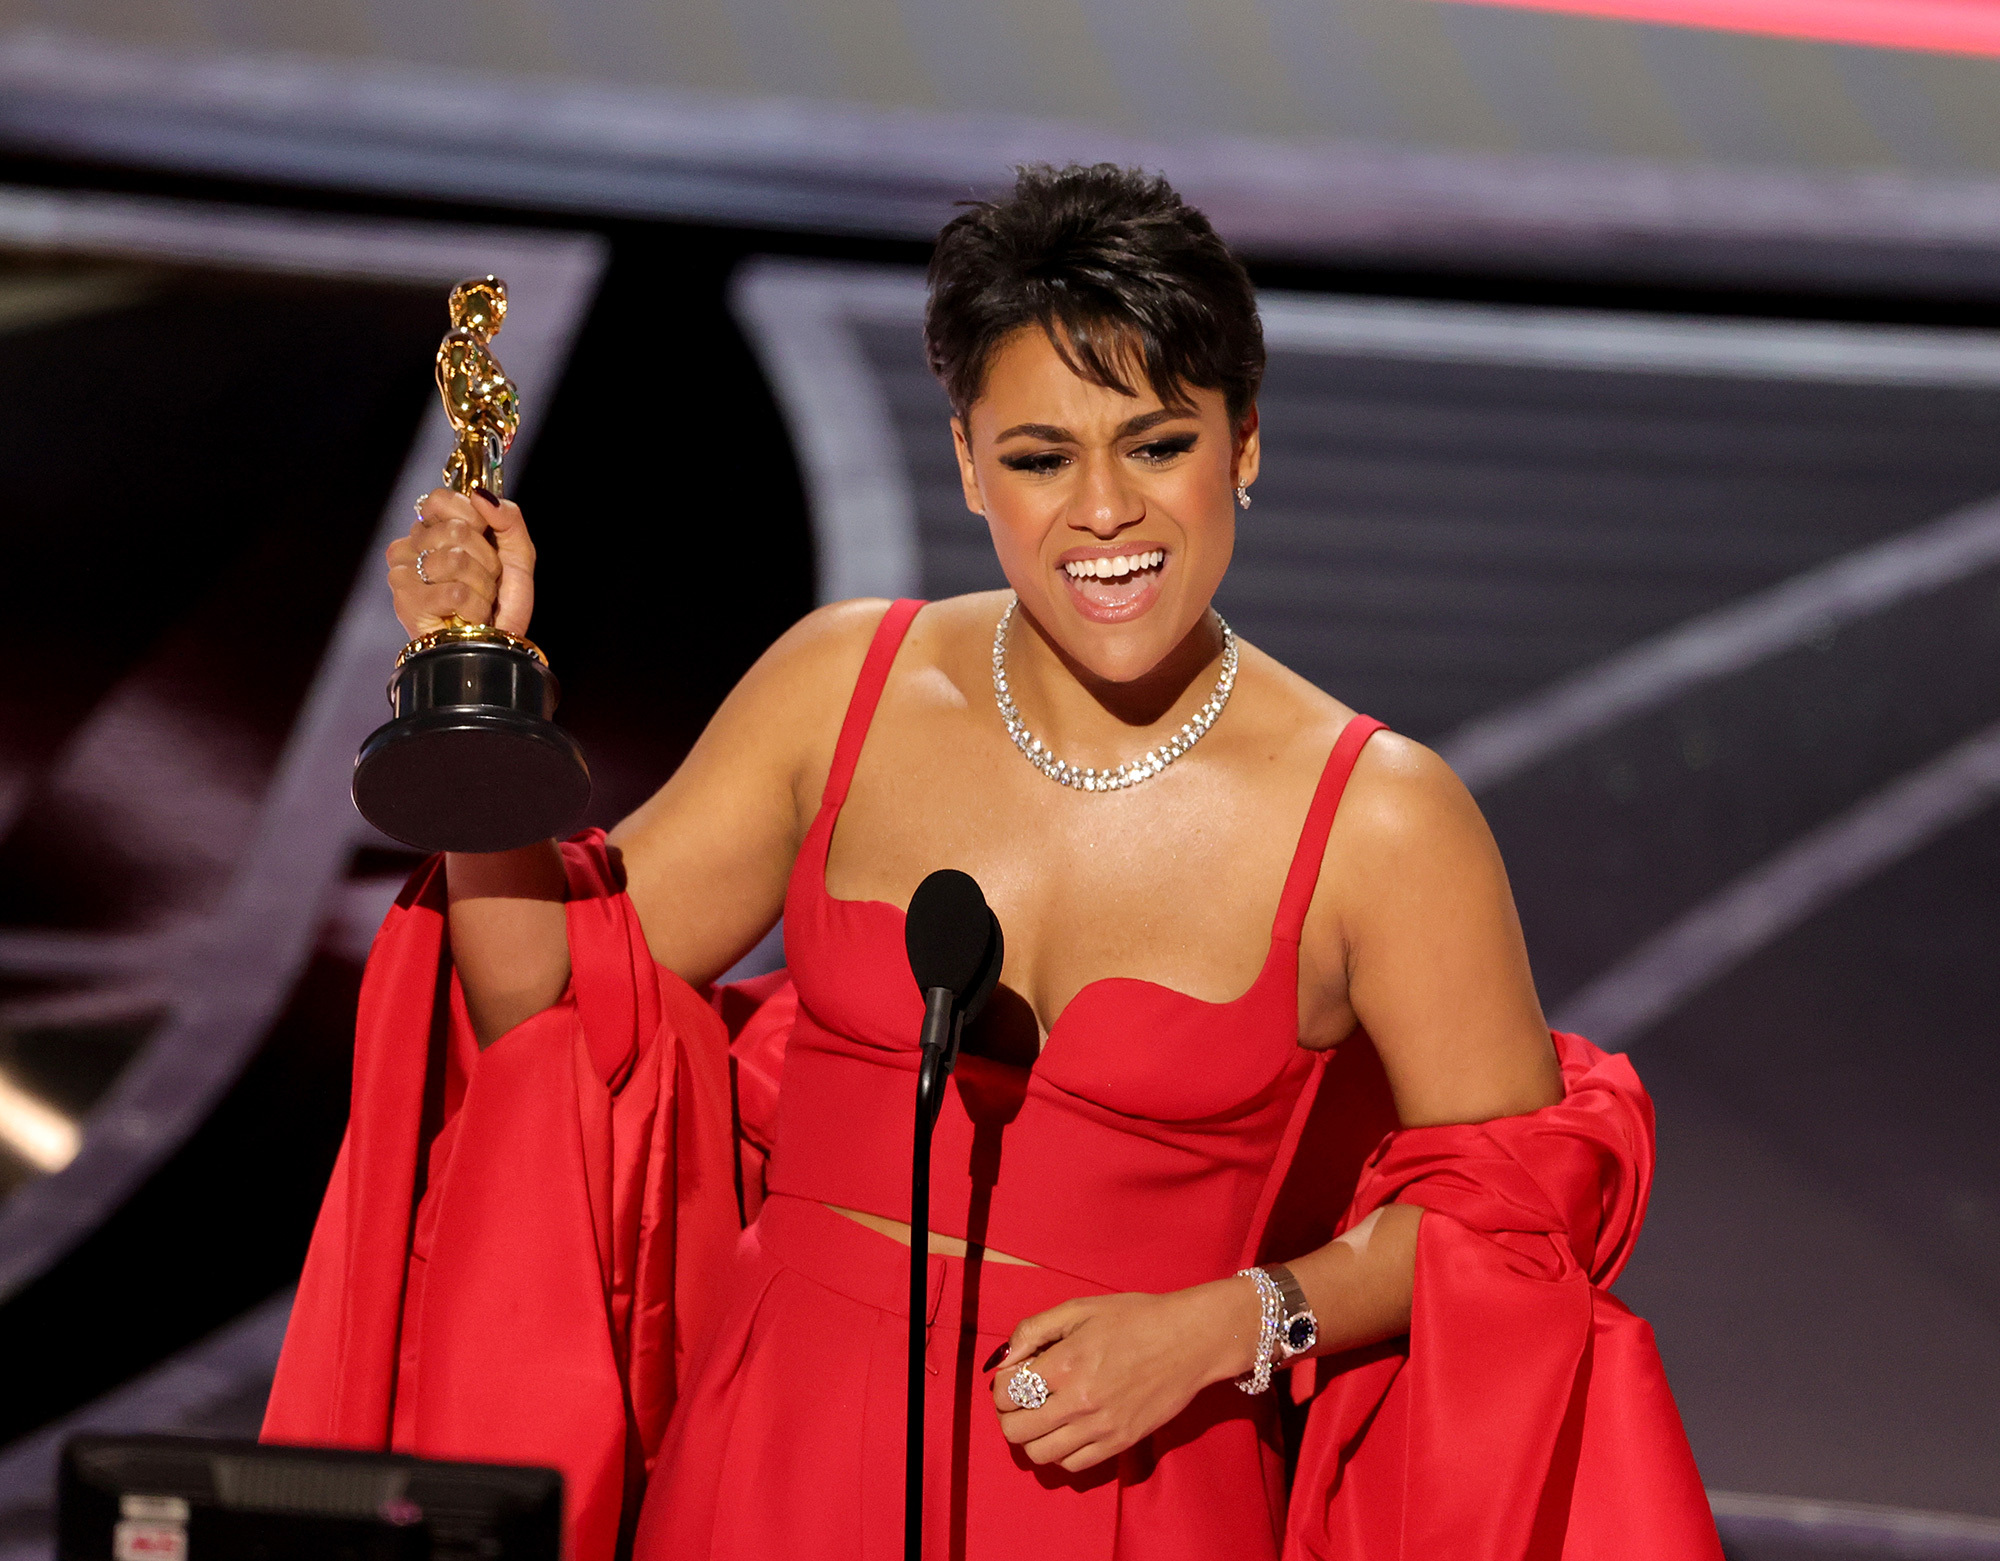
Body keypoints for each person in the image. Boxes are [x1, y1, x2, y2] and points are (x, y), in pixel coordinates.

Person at [266, 164, 1723, 1560]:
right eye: (1040, 456)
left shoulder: (1383, 817)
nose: (1103, 512)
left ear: (1246, 442)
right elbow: (548, 1014)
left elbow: (1512, 1220)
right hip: (771, 1462)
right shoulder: (843, 687)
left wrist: (1242, 1317)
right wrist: (476, 691)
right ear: (968, 460)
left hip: (1136, 1482)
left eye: (1156, 442)